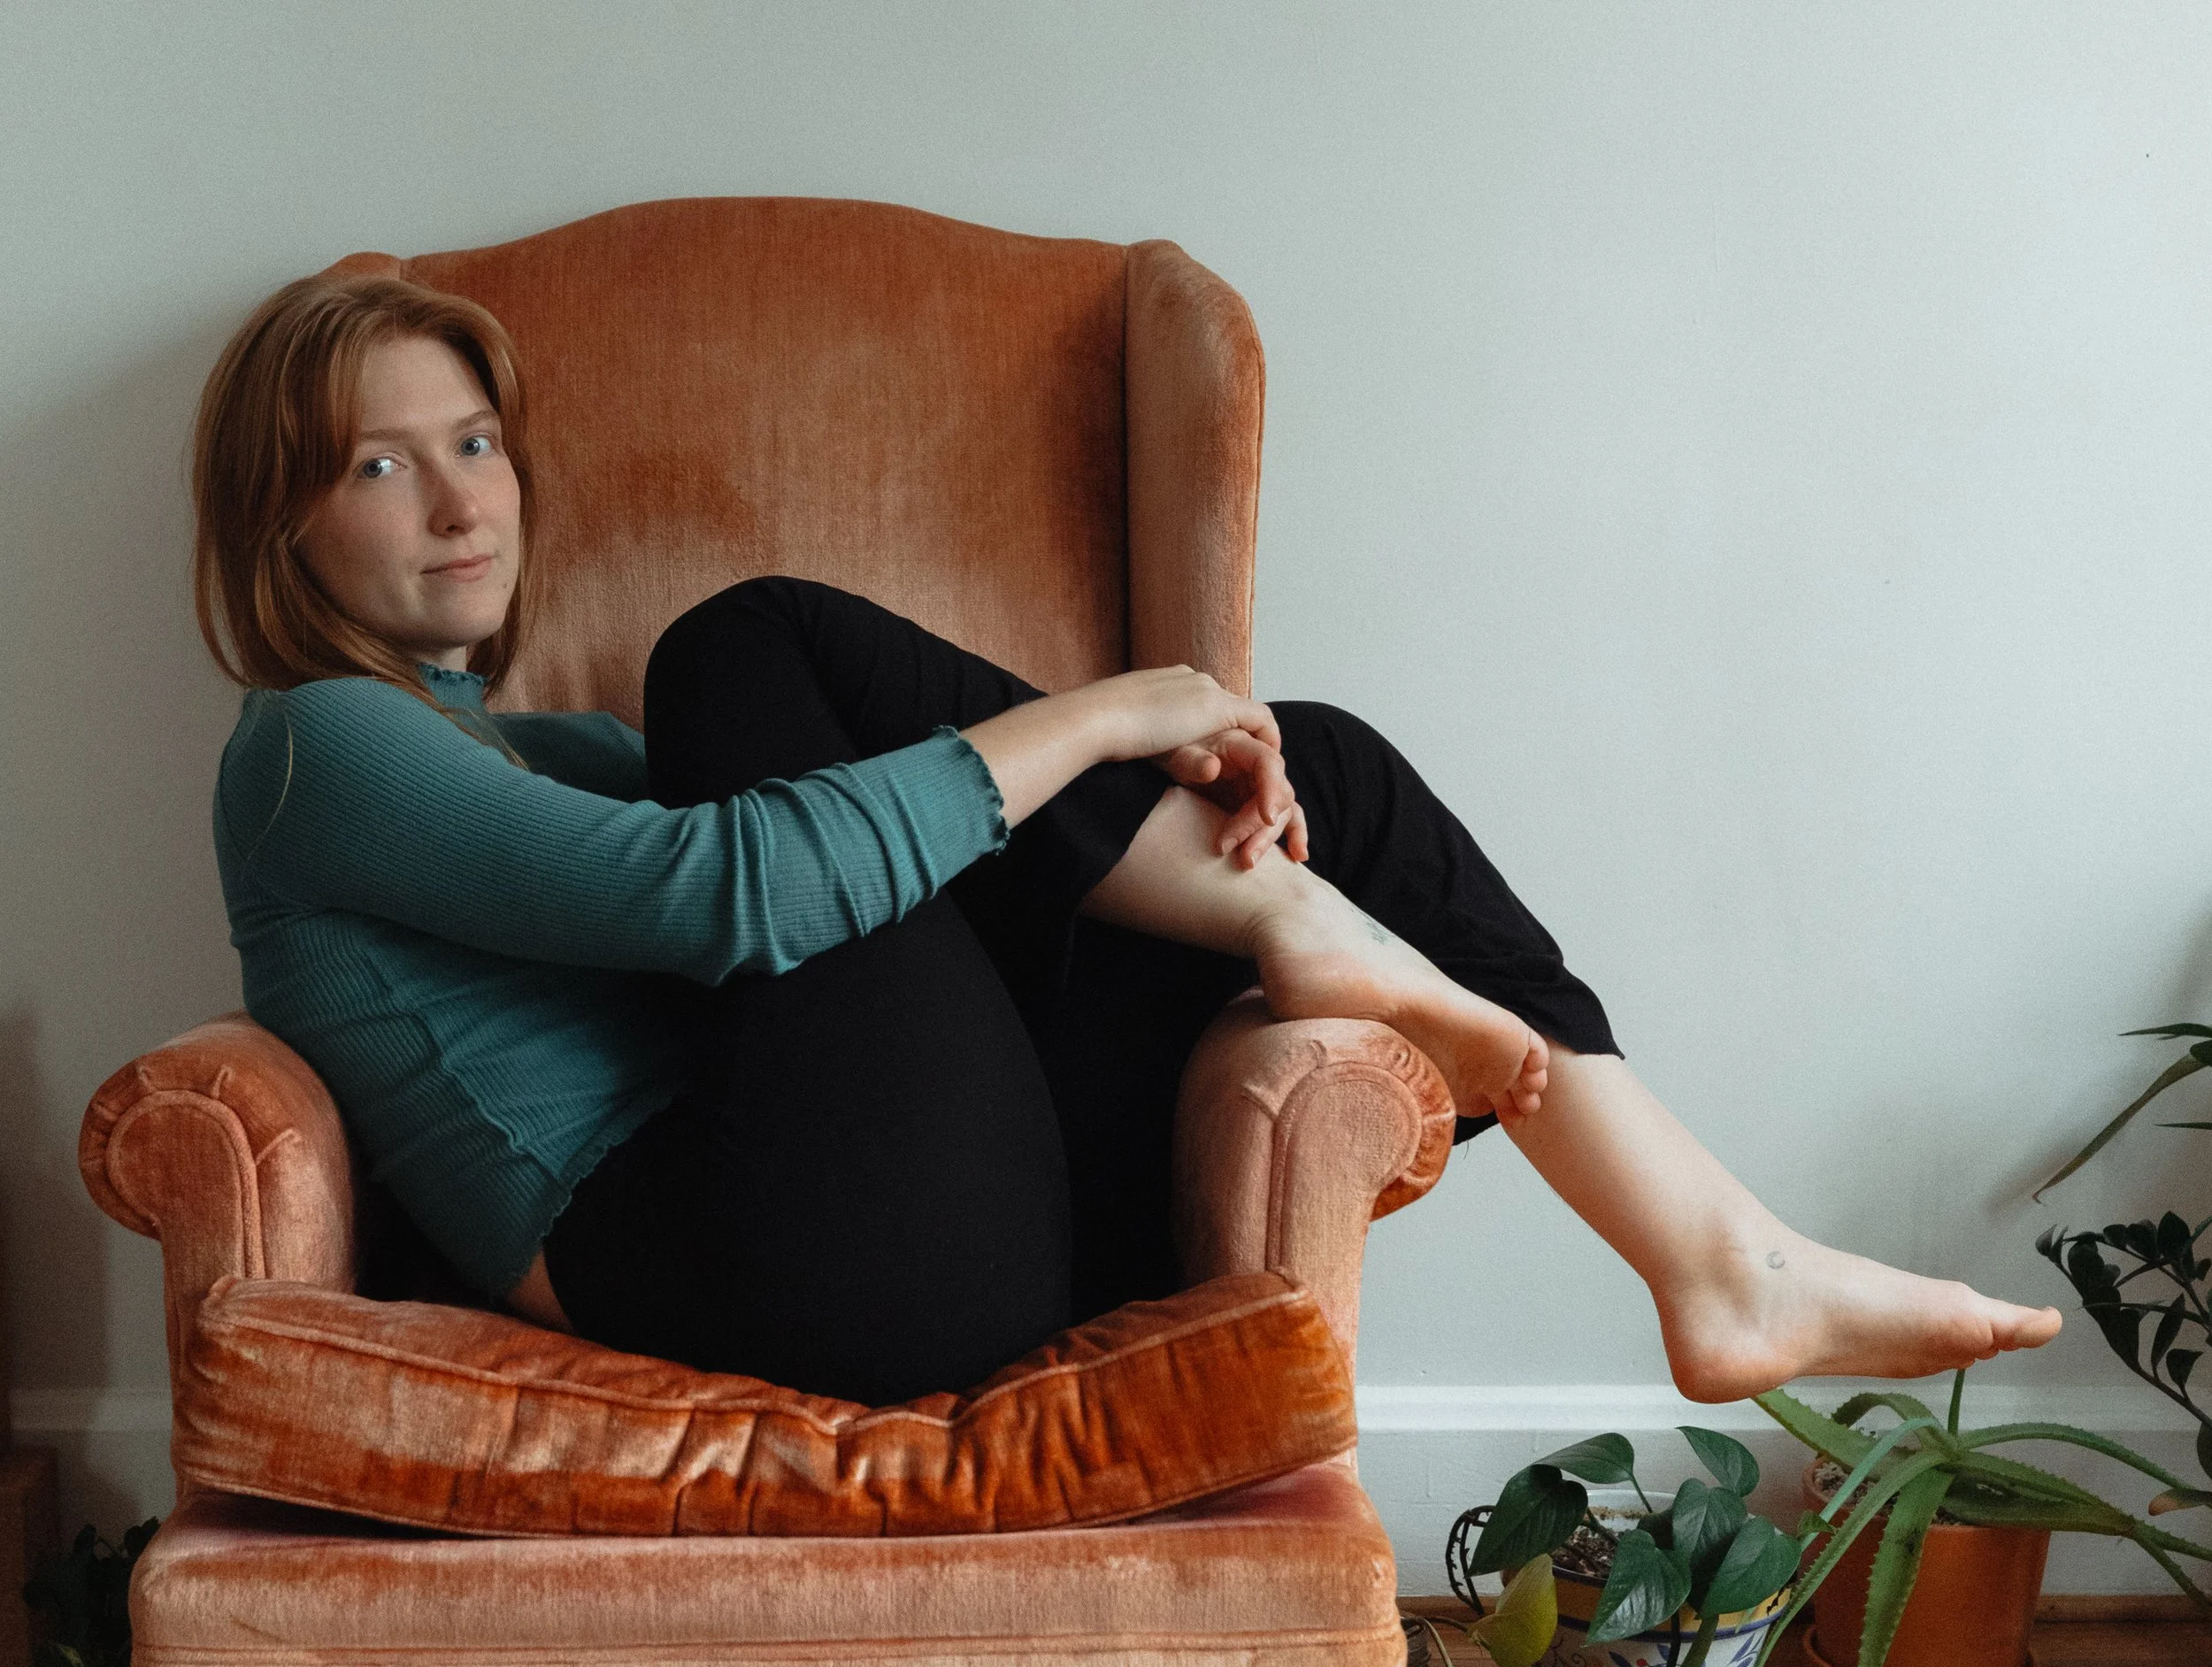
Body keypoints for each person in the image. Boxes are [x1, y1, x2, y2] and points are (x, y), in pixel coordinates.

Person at [191, 271, 2061, 1409]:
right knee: (741, 639)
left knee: (1313, 764)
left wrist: (1178, 756)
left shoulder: (539, 753)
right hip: (760, 1259)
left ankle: (1710, 1252)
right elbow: (726, 900)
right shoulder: (308, 748)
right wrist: (1116, 702)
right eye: (376, 460)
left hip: (917, 1228)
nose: (456, 495)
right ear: (281, 529)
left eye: (475, 441)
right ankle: (1343, 949)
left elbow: (790, 895)